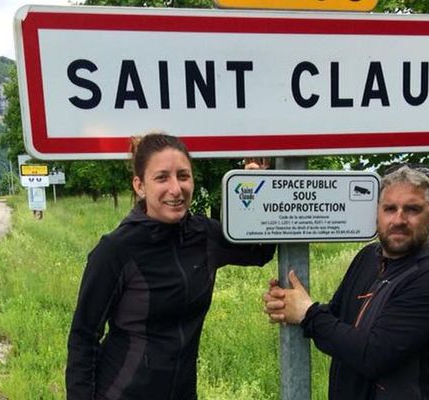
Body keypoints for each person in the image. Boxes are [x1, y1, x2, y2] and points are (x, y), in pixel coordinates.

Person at [66, 132, 275, 400]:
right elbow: (83, 337)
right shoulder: (116, 250)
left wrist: (260, 186)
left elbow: (260, 251)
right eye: (162, 177)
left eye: (183, 176)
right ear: (140, 186)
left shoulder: (205, 235)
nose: (176, 189)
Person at [263, 164, 429, 400]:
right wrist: (291, 304)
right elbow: (337, 319)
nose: (399, 219)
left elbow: (373, 356)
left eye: (412, 209)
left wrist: (308, 314)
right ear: (377, 211)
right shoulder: (368, 257)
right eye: (389, 208)